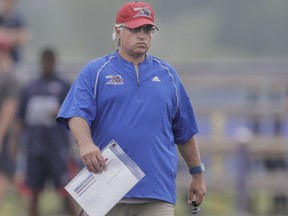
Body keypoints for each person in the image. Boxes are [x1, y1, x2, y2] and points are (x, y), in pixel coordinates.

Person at [56, 2, 206, 216]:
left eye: (147, 30)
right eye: (136, 29)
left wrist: (197, 174)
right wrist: (86, 144)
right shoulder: (96, 71)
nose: (143, 35)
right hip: (106, 191)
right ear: (118, 31)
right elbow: (76, 113)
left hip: (157, 194)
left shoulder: (168, 75)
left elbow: (185, 131)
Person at [15, 48, 77, 216]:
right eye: (44, 61)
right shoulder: (30, 88)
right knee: (34, 191)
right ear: (40, 63)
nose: (47, 65)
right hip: (35, 148)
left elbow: (75, 116)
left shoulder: (63, 87)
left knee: (65, 190)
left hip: (57, 147)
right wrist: (14, 142)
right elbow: (20, 118)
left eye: (50, 61)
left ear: (54, 63)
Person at [0, 39, 20, 204]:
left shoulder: (9, 77)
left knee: (4, 173)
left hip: (4, 134)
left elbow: (10, 107)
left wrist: (1, 134)